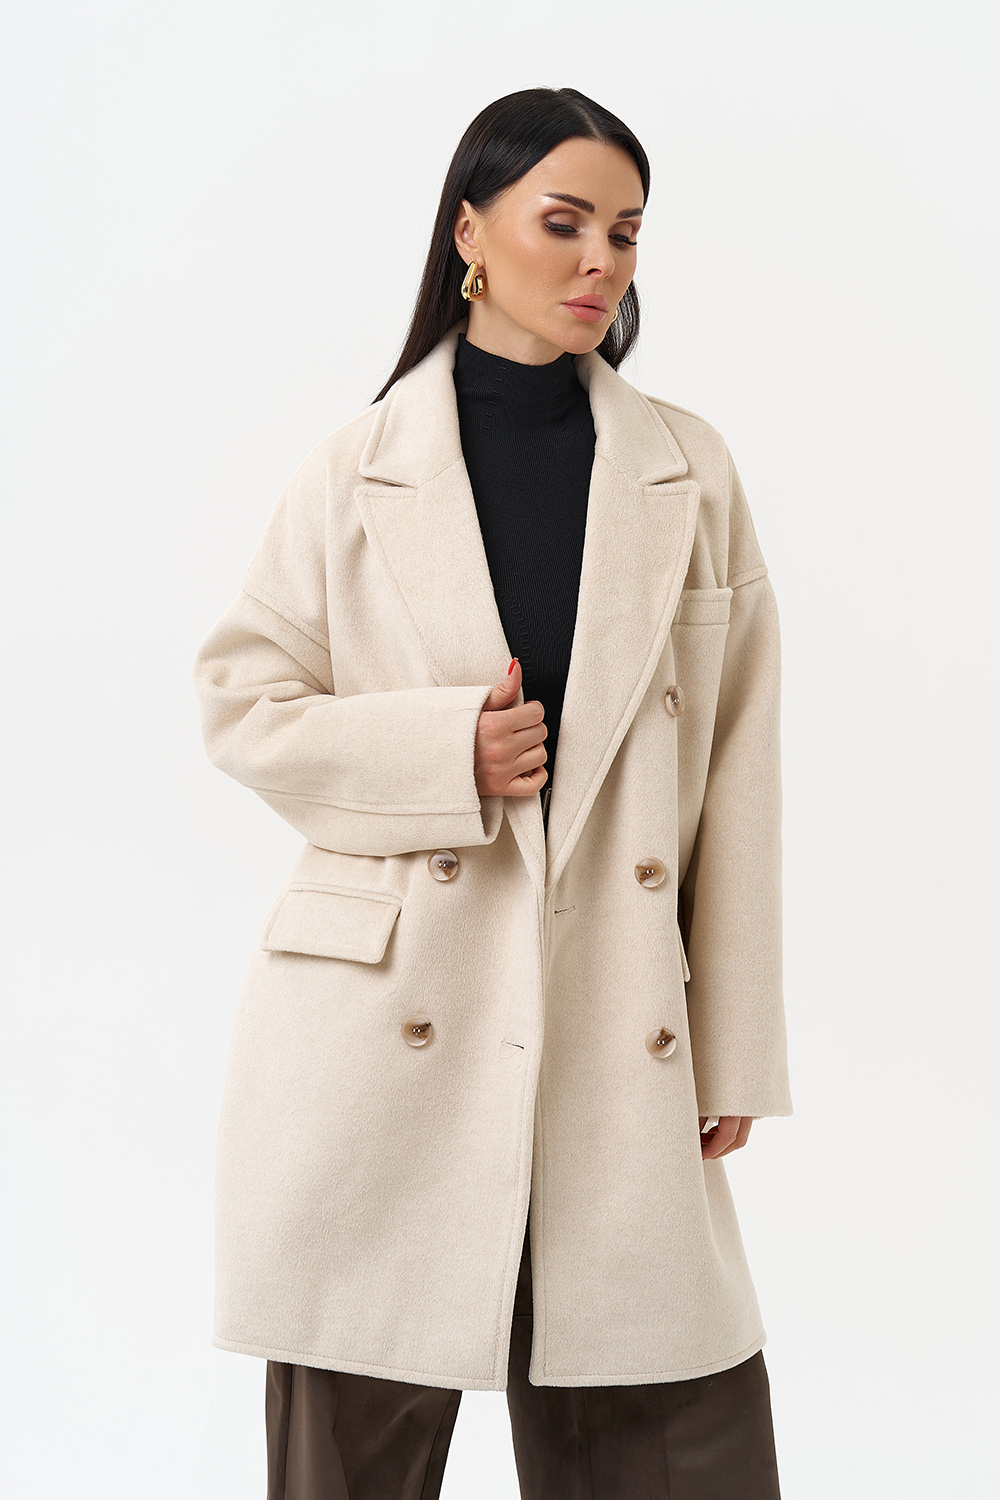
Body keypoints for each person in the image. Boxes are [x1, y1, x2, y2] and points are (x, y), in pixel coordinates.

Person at [193, 86, 793, 1500]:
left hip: (618, 1019)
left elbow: (741, 763)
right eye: (563, 222)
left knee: (670, 1429)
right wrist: (439, 756)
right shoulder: (356, 471)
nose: (599, 261)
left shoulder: (688, 470)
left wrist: (736, 1045)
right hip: (383, 1030)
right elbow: (242, 701)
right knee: (352, 1448)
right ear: (470, 232)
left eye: (625, 233)